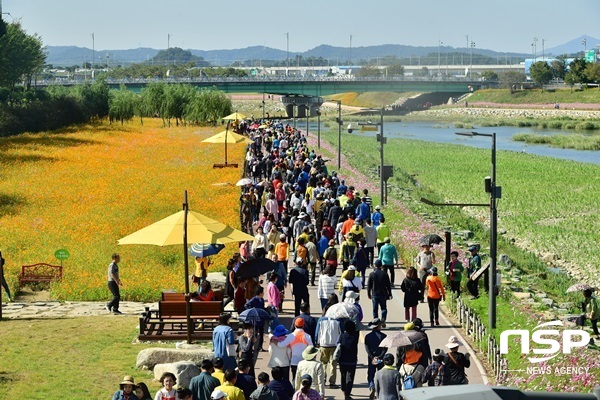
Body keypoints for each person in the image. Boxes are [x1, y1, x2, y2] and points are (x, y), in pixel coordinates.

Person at [276, 317, 313, 381]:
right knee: (304, 379)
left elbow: (281, 345)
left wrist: (274, 341)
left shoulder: (291, 336)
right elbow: (311, 348)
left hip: (294, 361)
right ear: (303, 325)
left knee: (295, 378)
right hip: (304, 361)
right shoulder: (307, 336)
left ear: (295, 325)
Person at [314, 310, 342, 389]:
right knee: (333, 364)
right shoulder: (337, 320)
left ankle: (323, 379)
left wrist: (316, 341)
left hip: (323, 345)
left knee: (323, 363)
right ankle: (332, 382)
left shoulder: (321, 320)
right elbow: (341, 332)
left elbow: (317, 332)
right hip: (334, 345)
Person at [365, 319, 388, 399]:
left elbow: (367, 348)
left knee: (370, 374)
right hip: (381, 359)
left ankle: (371, 386)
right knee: (381, 375)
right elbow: (385, 349)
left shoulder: (367, 336)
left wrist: (372, 357)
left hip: (372, 358)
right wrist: (380, 356)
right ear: (378, 326)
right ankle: (380, 390)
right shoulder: (384, 336)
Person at [338, 320, 359, 400]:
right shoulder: (355, 337)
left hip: (342, 360)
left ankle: (343, 389)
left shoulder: (342, 336)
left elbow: (338, 343)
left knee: (343, 375)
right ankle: (347, 393)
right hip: (352, 360)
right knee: (350, 377)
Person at [367, 260, 392, 326]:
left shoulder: (372, 274)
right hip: (383, 294)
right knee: (383, 308)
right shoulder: (384, 274)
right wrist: (390, 294)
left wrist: (368, 294)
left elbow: (369, 285)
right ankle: (383, 319)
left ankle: (376, 321)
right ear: (381, 266)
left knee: (375, 309)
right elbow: (388, 285)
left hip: (374, 294)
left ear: (375, 265)